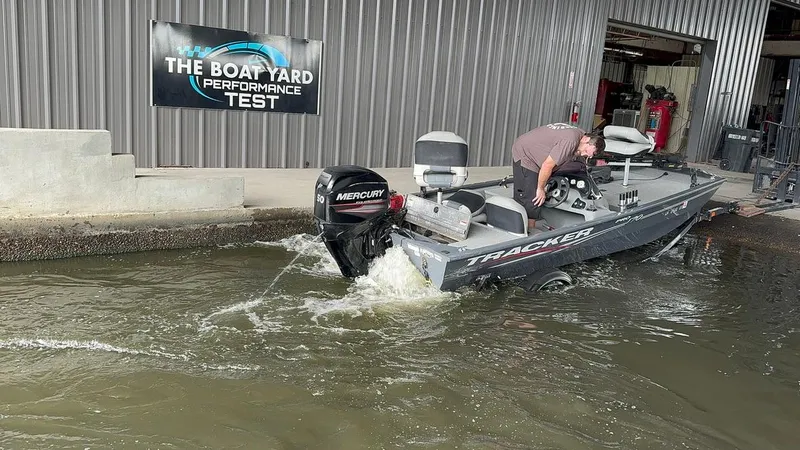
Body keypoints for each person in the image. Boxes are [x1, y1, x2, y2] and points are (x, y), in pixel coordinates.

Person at [511, 123, 605, 230]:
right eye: (588, 152)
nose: (588, 155)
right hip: (525, 153)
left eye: (591, 155)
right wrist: (541, 188)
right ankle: (528, 232)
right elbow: (547, 165)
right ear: (586, 139)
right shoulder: (570, 141)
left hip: (538, 151)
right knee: (533, 197)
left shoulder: (580, 136)